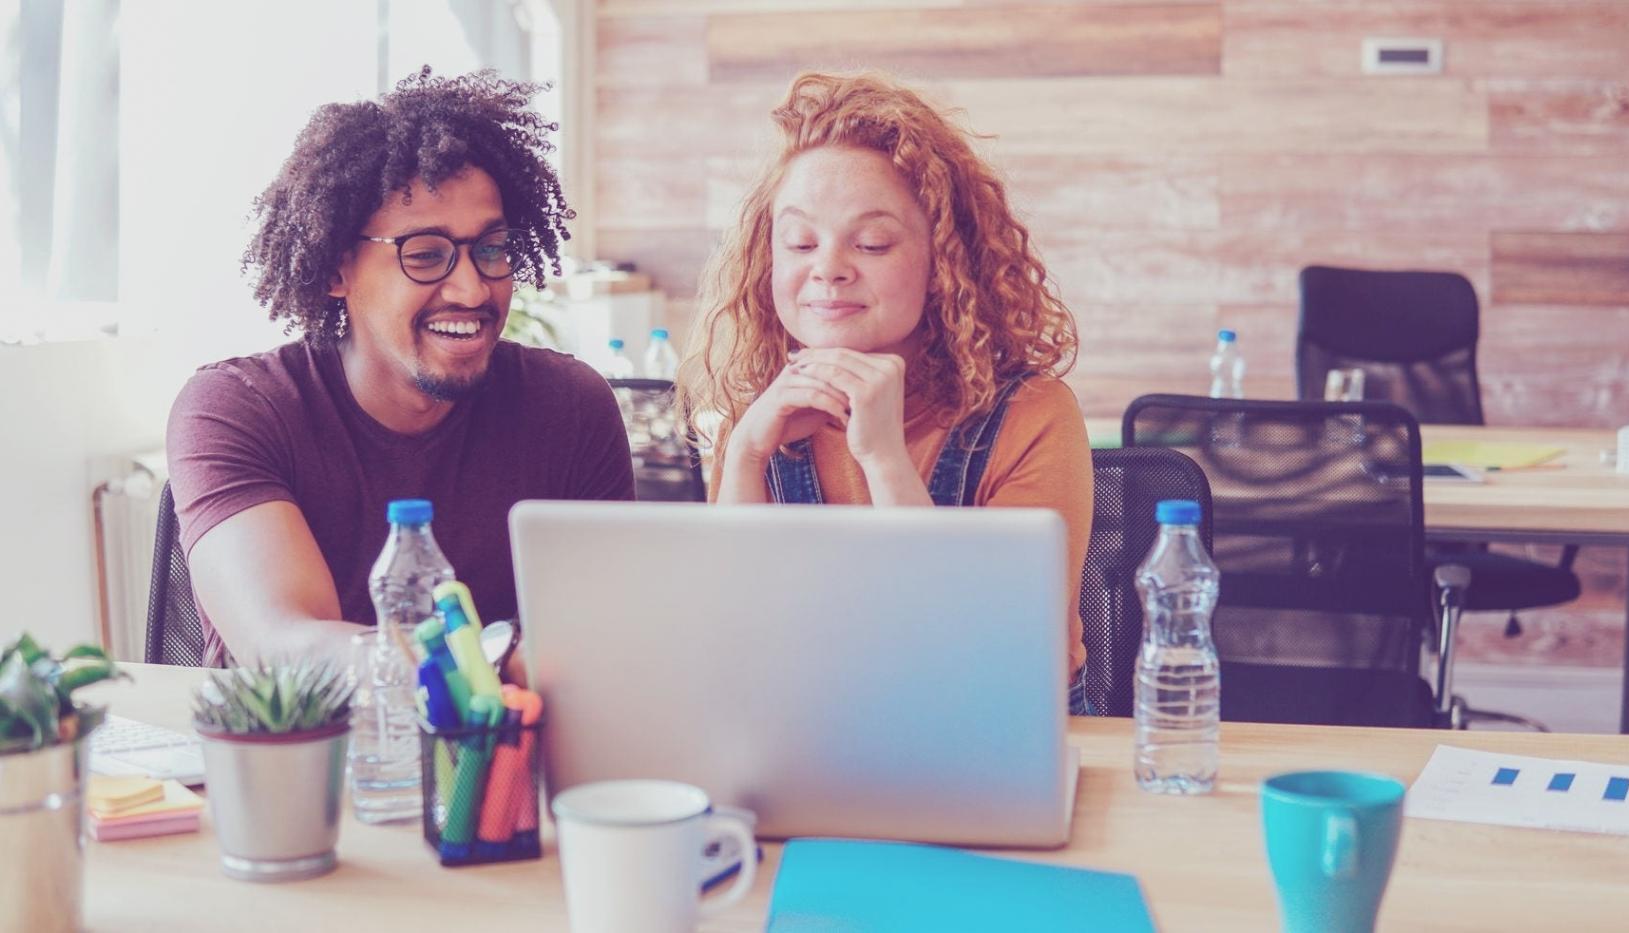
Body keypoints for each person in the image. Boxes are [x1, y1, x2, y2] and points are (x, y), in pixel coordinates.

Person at [167, 69, 633, 669]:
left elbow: (611, 633)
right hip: (308, 761)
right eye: (425, 255)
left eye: (491, 248)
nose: (471, 288)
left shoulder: (568, 405)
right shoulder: (238, 408)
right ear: (338, 270)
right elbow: (286, 647)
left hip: (502, 761)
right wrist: (497, 659)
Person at [680, 72, 1094, 713]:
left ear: (944, 260)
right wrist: (744, 456)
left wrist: (883, 459)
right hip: (805, 742)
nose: (828, 267)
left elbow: (1002, 654)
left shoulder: (1033, 415)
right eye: (800, 242)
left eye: (871, 242)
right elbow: (731, 646)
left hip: (986, 744)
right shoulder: (760, 416)